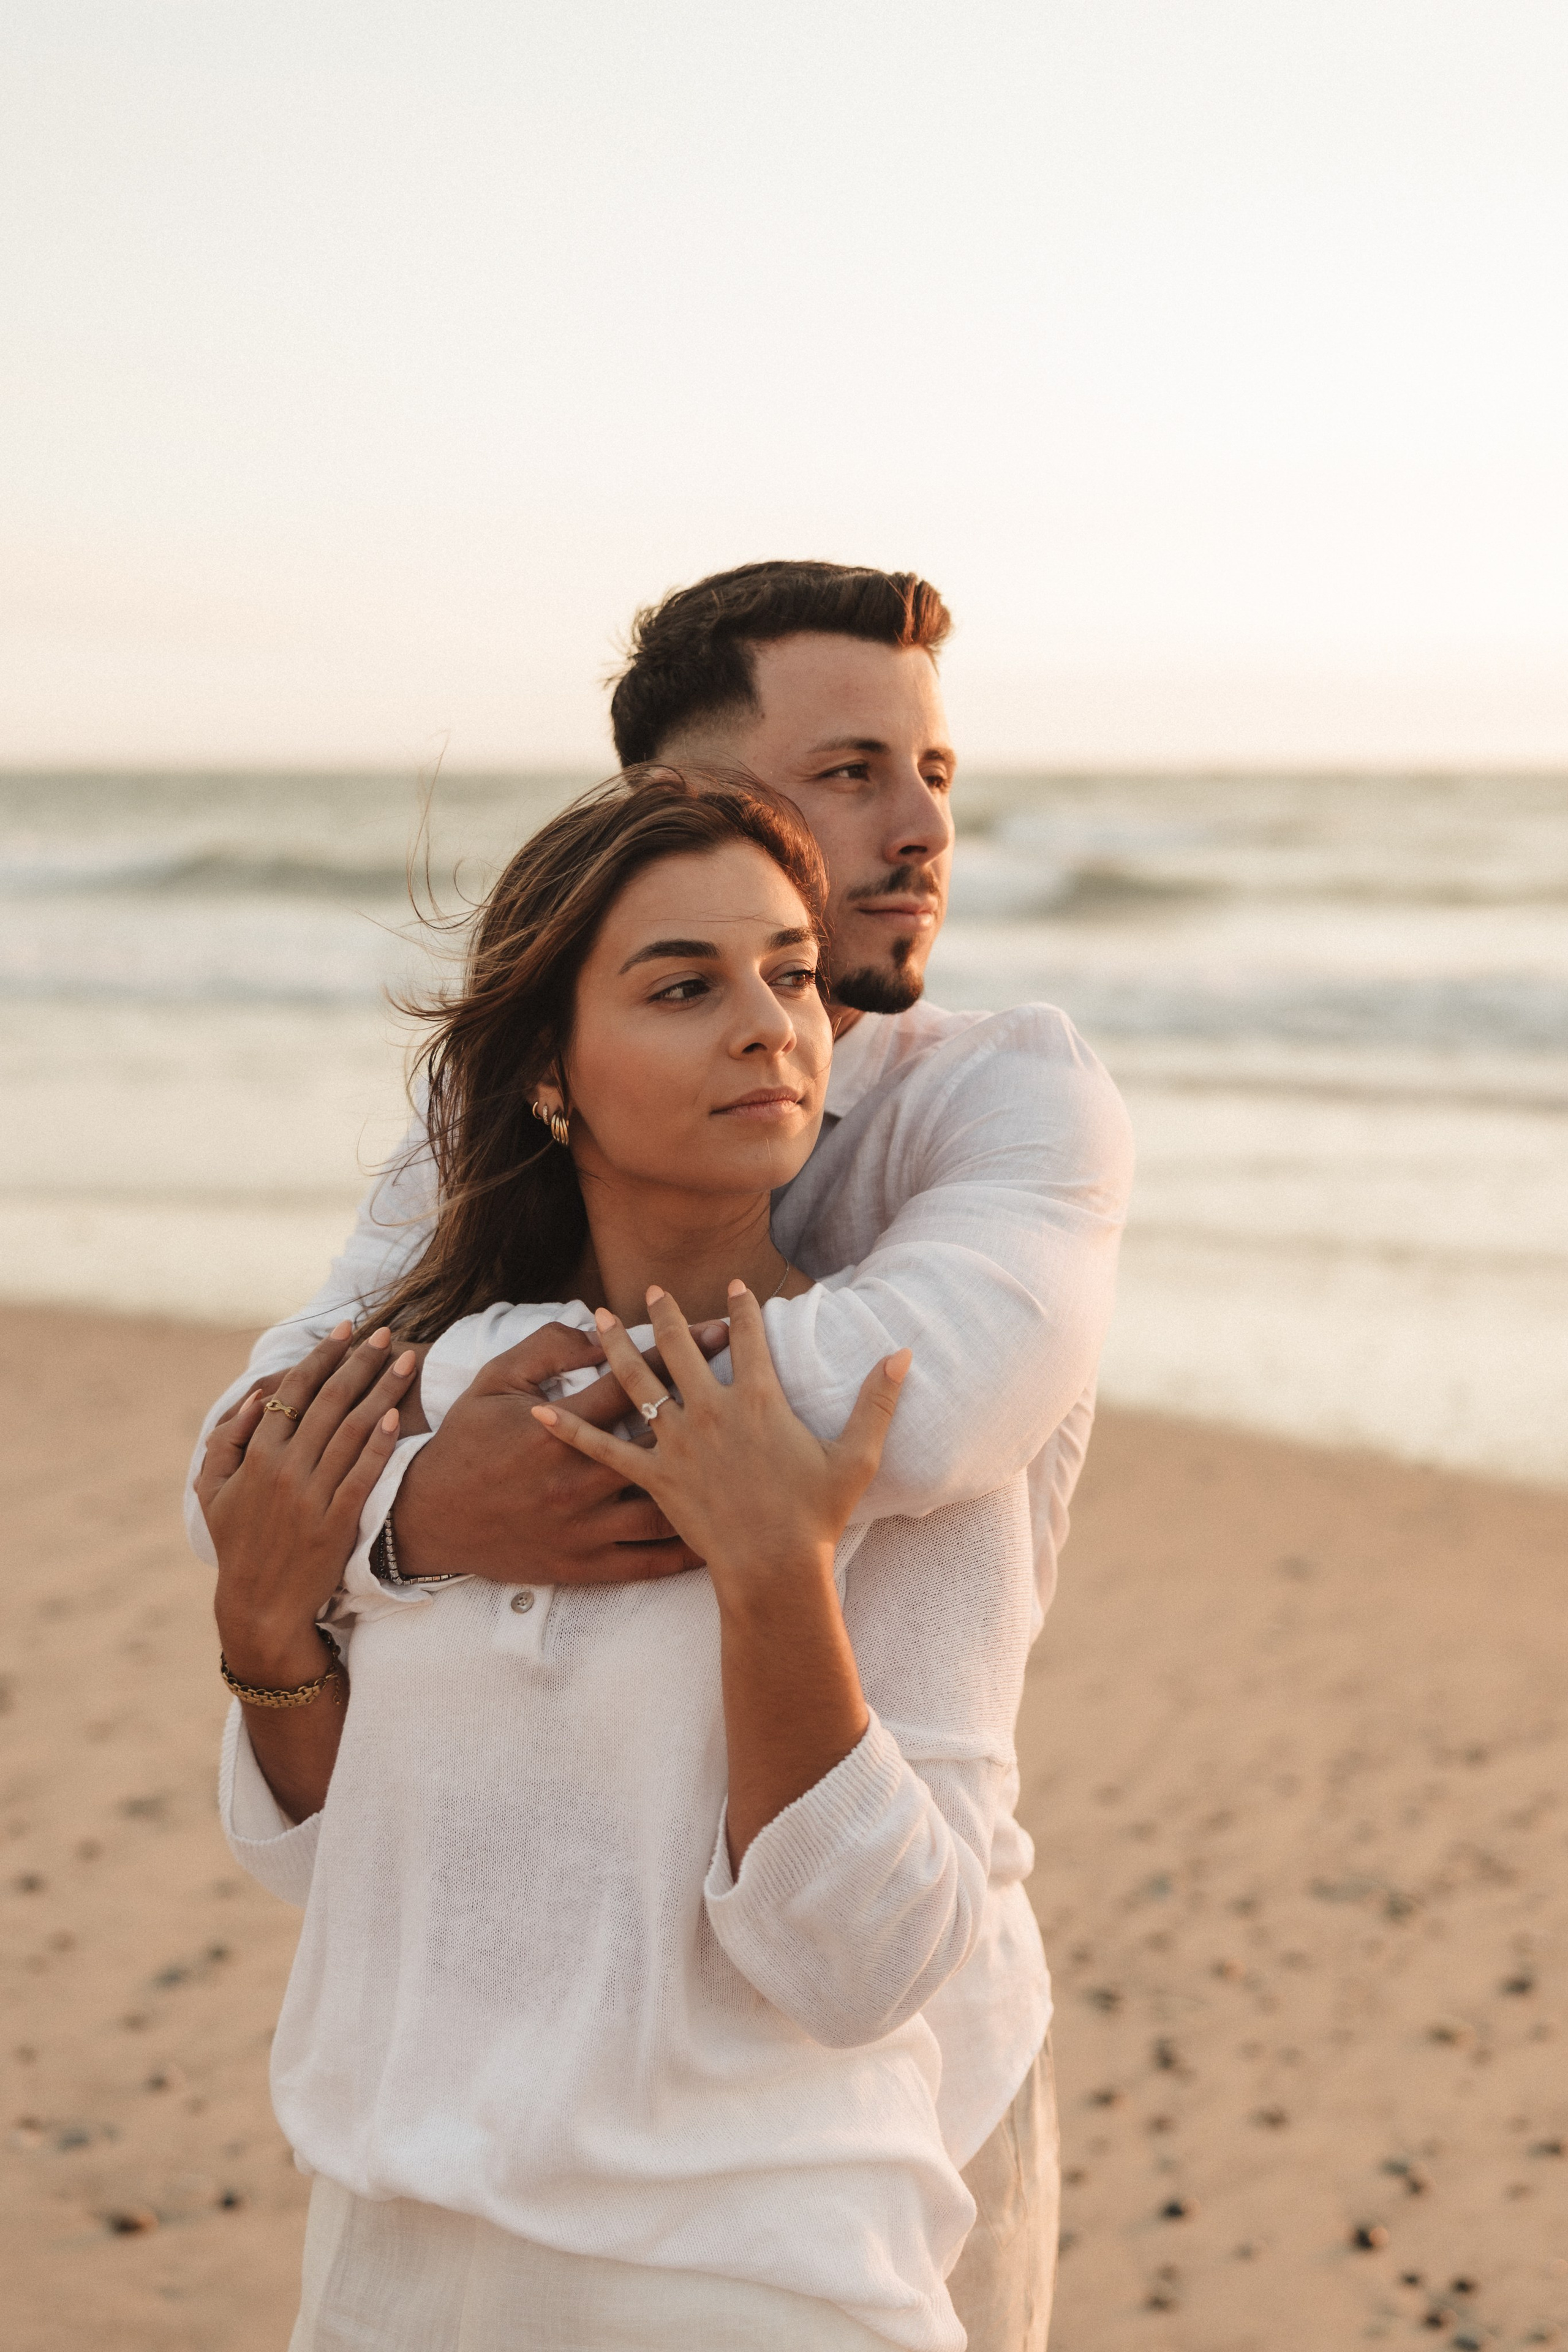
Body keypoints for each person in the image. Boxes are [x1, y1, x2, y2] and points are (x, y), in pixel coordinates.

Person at [187, 560, 1135, 2343]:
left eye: (935, 772)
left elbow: (902, 1413)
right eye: (850, 772)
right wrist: (402, 1517)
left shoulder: (1007, 1093)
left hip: (893, 2089)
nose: (918, 824)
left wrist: (439, 1478)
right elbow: (243, 1468)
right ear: (671, 803)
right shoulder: (502, 1176)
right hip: (461, 2194)